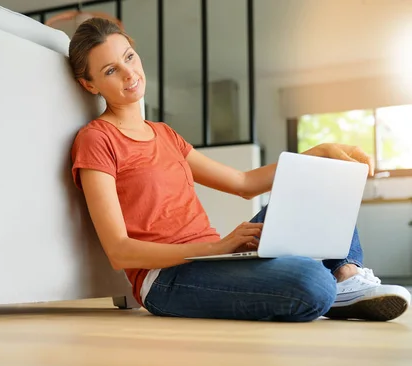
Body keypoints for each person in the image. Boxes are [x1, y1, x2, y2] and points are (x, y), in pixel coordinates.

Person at [68, 18, 410, 322]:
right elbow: (119, 250)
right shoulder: (96, 140)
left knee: (321, 189)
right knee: (311, 280)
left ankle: (347, 276)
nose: (129, 73)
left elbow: (244, 183)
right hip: (166, 279)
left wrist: (317, 154)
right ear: (90, 85)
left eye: (129, 57)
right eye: (111, 70)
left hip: (215, 259)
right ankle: (332, 290)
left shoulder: (165, 134)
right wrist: (216, 248)